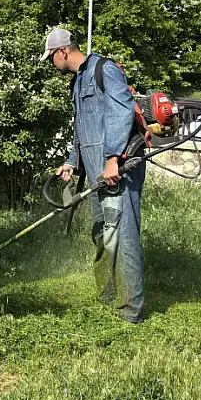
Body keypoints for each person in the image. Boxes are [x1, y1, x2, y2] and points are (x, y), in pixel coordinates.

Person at [41, 27, 146, 323]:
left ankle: (131, 311)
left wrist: (113, 159)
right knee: (102, 232)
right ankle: (109, 297)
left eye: (51, 57)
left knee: (123, 234)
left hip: (116, 168)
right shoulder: (78, 81)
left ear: (63, 51)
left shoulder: (105, 69)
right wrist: (73, 161)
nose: (52, 64)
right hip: (97, 168)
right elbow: (84, 128)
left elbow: (121, 111)